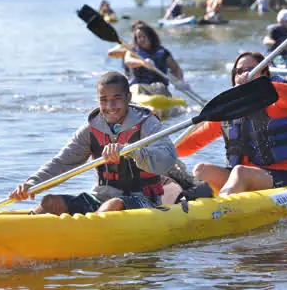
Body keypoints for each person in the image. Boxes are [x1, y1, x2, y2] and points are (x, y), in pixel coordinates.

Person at [9, 71, 177, 215]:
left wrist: (131, 152)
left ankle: (86, 236)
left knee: (113, 205)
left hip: (143, 200)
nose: (110, 106)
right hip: (100, 198)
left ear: (128, 98)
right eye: (103, 100)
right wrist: (33, 183)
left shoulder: (147, 123)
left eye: (116, 98)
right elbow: (61, 163)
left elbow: (167, 160)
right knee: (49, 203)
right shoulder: (91, 129)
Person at [176, 52, 287, 195]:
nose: (244, 74)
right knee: (201, 170)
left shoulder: (276, 104)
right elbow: (194, 142)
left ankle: (221, 209)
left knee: (240, 172)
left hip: (281, 175)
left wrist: (258, 86)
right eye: (239, 71)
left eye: (251, 70)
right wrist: (161, 153)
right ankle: (191, 208)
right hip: (240, 176)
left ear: (264, 72)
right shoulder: (228, 113)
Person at [123, 23, 189, 96]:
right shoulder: (133, 51)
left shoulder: (162, 52)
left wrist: (180, 80)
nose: (141, 39)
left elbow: (176, 68)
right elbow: (128, 61)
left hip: (158, 87)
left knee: (160, 87)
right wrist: (143, 63)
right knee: (137, 88)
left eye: (144, 36)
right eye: (139, 37)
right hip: (138, 86)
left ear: (150, 37)